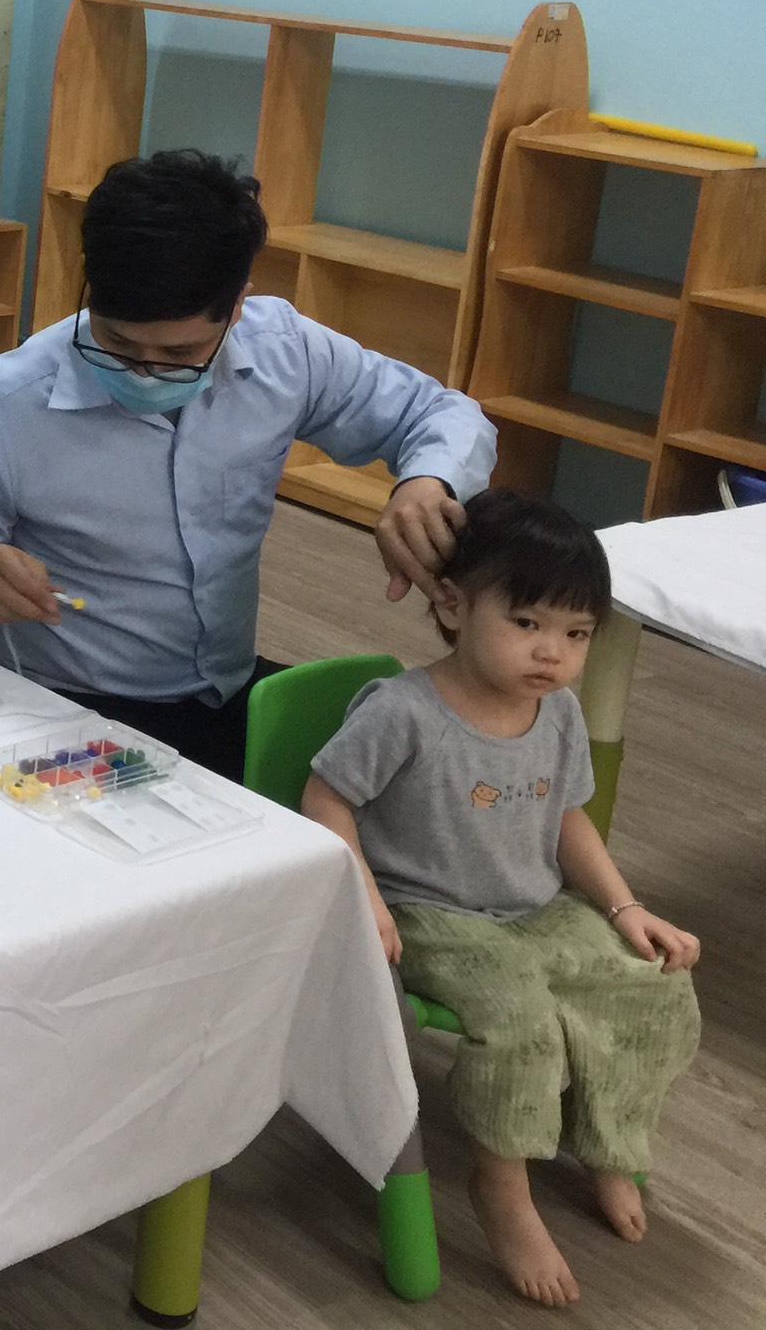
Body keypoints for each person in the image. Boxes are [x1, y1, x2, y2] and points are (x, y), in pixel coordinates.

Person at [0, 150, 494, 779]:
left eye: (180, 354)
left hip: (225, 690)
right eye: (117, 344)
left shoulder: (285, 351)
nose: (144, 373)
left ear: (237, 307)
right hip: (70, 705)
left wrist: (428, 481)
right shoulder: (7, 403)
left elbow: (443, 413)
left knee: (413, 775)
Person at [302, 490, 699, 1308]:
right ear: (452, 604)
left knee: (652, 984)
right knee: (518, 1016)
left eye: (577, 634)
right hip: (432, 915)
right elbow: (326, 796)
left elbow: (569, 821)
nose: (552, 652)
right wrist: (364, 899)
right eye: (526, 623)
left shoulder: (558, 714)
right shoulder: (403, 711)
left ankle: (610, 1144)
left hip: (534, 908)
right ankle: (503, 1186)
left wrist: (626, 909)